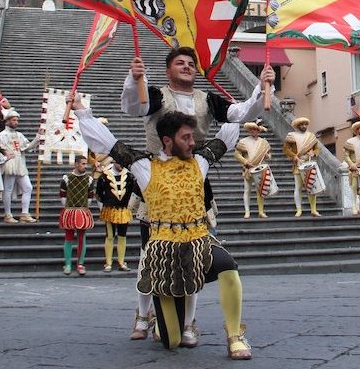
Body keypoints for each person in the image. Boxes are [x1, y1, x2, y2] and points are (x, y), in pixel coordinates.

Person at [74, 102, 253, 360]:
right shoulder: (144, 166)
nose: (192, 142)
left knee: (228, 267)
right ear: (168, 141)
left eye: (192, 136)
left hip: (198, 240)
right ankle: (161, 315)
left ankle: (235, 335)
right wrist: (82, 113)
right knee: (172, 341)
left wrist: (242, 107)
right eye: (186, 137)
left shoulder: (200, 161)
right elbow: (107, 141)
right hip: (164, 251)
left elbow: (228, 132)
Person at [121, 47, 274, 155]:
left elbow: (243, 113)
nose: (187, 67)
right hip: (155, 174)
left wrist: (262, 86)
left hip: (194, 175)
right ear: (167, 72)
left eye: (191, 65)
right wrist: (135, 81)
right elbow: (134, 109)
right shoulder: (156, 96)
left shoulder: (208, 100)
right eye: (180, 63)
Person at [0, 108, 43, 224]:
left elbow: (27, 147)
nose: (16, 122)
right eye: (14, 120)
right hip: (10, 163)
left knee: (28, 187)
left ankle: (24, 213)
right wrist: (3, 156)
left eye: (17, 120)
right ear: (7, 121)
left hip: (20, 163)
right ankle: (8, 214)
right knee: (8, 189)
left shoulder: (19, 135)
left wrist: (38, 137)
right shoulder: (2, 135)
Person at [95, 154, 138, 273]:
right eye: (120, 163)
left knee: (122, 236)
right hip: (109, 210)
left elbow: (132, 193)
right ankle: (108, 263)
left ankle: (121, 261)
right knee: (110, 236)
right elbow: (99, 195)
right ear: (114, 162)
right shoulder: (104, 177)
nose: (122, 166)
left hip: (123, 210)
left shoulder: (129, 177)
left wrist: (131, 208)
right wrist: (102, 209)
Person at [59, 155, 95, 275]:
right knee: (68, 237)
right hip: (70, 209)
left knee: (81, 238)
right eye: (83, 163)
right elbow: (62, 194)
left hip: (82, 210)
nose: (85, 166)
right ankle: (68, 264)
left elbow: (90, 195)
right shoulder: (66, 178)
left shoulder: (89, 179)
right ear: (76, 164)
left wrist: (84, 207)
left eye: (86, 164)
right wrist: (68, 207)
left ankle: (80, 264)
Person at [283, 117, 324, 217]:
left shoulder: (311, 136)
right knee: (298, 187)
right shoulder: (291, 136)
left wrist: (313, 153)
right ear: (298, 126)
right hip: (298, 163)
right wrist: (294, 156)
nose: (304, 126)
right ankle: (299, 209)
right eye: (302, 124)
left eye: (305, 124)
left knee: (312, 186)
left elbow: (317, 149)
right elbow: (286, 149)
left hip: (309, 162)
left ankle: (313, 209)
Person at [233, 122, 275, 220]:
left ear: (258, 131)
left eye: (255, 129)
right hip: (248, 169)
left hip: (260, 168)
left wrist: (267, 156)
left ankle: (261, 211)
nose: (253, 131)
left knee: (260, 191)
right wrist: (245, 161)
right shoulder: (243, 141)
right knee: (247, 190)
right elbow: (237, 154)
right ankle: (247, 211)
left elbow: (269, 156)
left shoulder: (264, 142)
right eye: (251, 129)